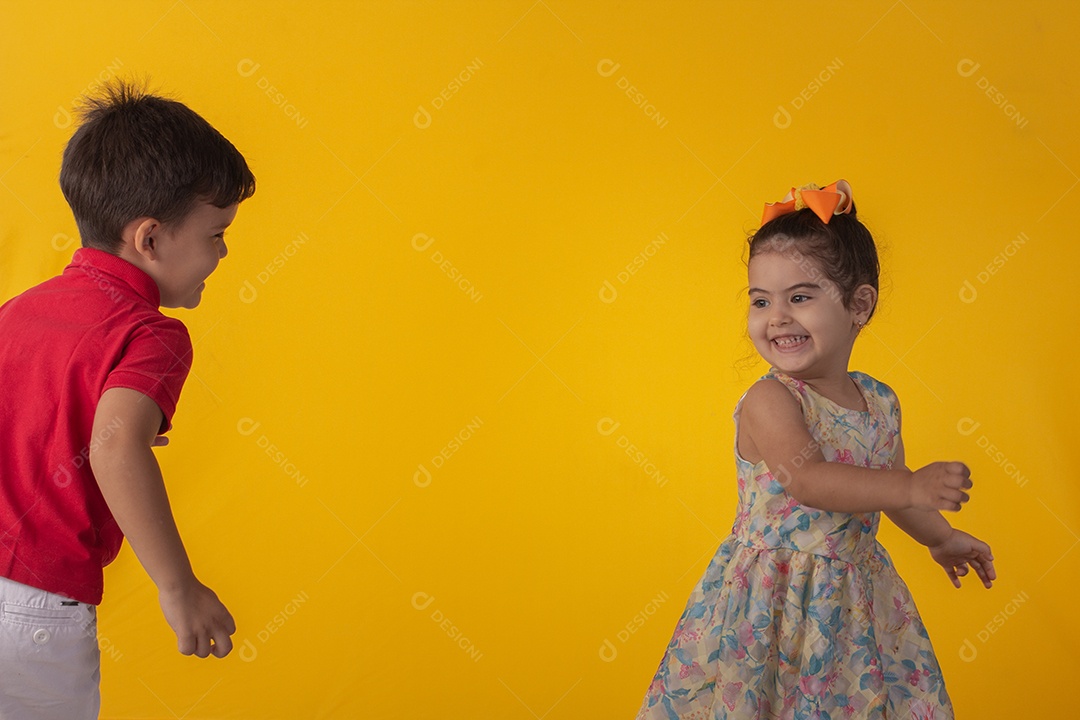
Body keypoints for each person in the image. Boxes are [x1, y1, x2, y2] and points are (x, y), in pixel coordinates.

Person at [635, 180, 996, 719]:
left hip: (851, 600)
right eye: (761, 300)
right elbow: (810, 481)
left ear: (859, 305)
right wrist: (910, 485)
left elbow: (889, 490)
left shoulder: (879, 401)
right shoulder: (771, 400)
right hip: (770, 601)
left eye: (799, 297)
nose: (776, 316)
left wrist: (940, 537)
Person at [0, 79, 255, 718]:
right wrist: (179, 587)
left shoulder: (17, 311)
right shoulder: (151, 333)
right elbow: (114, 447)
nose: (224, 252)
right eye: (216, 233)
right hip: (34, 611)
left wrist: (81, 420)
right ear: (150, 239)